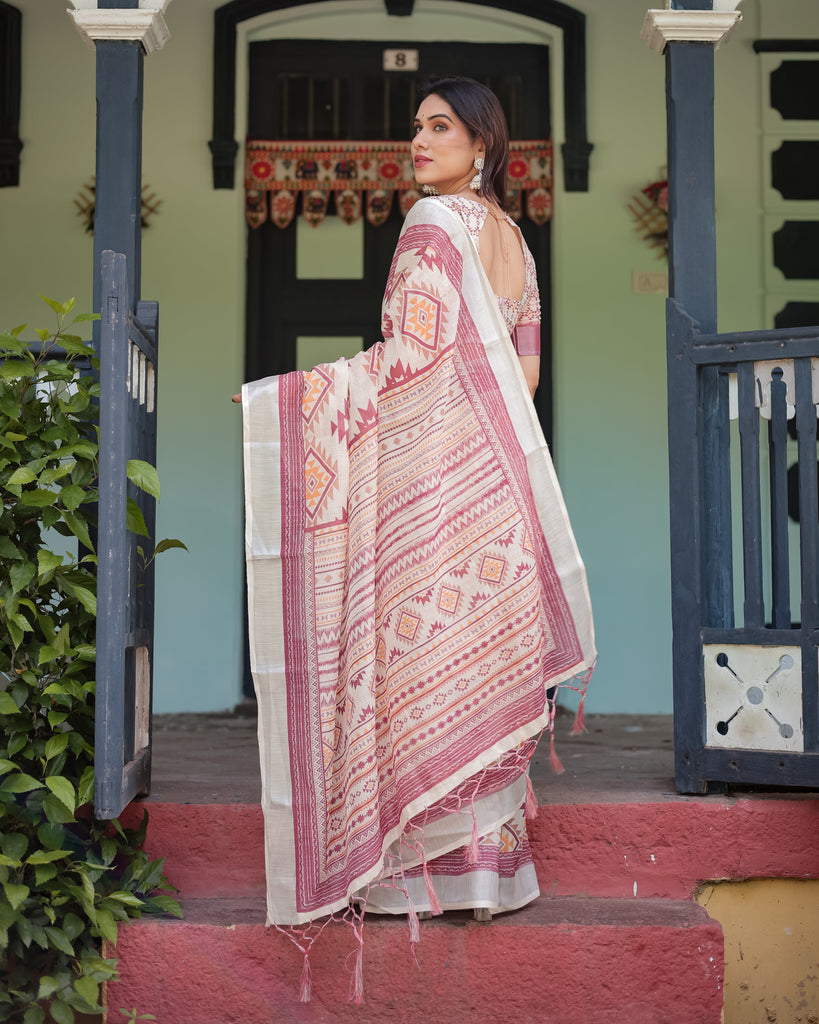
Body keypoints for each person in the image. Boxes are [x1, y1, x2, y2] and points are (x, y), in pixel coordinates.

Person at [239, 77, 595, 1001]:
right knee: (475, 655)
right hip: (498, 478)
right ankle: (488, 875)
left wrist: (287, 401)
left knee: (414, 661)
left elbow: (408, 357)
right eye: (414, 128)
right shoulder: (514, 239)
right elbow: (523, 371)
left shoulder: (434, 221)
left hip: (430, 484)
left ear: (482, 144)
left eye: (439, 127)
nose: (417, 142)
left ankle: (419, 878)